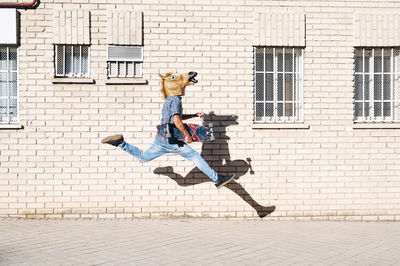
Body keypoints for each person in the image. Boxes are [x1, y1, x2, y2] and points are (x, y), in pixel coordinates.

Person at [101, 71, 235, 189]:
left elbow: (175, 117)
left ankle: (120, 143)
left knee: (143, 157)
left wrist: (194, 115)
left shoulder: (168, 100)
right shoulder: (176, 99)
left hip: (161, 138)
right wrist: (187, 136)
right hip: (172, 140)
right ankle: (217, 179)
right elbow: (177, 120)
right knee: (195, 156)